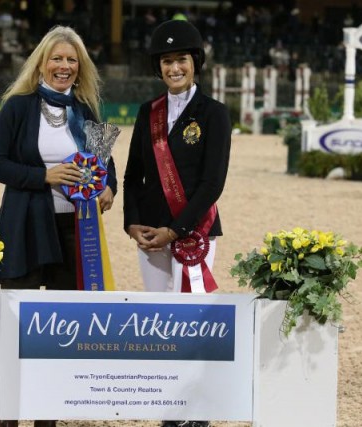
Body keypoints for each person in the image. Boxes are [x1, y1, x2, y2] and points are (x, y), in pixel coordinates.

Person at [0, 25, 117, 427]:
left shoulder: (85, 110)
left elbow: (104, 160)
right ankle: (8, 418)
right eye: (56, 58)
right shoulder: (18, 107)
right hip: (25, 226)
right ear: (41, 63)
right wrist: (45, 176)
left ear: (81, 68)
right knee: (18, 330)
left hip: (76, 233)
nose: (64, 66)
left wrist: (109, 186)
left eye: (71, 60)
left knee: (60, 333)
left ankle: (47, 419)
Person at [122, 19, 232, 427]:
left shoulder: (216, 114)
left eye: (181, 60)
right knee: (159, 320)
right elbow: (133, 176)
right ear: (159, 67)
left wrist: (177, 229)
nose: (174, 69)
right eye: (166, 62)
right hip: (151, 235)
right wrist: (132, 223)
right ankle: (168, 405)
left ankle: (197, 408)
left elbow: (212, 182)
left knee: (191, 318)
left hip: (195, 233)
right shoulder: (146, 112)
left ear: (195, 62)